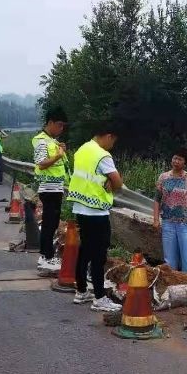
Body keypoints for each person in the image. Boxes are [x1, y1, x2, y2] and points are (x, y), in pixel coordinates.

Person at [67, 124, 123, 312]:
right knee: (99, 255)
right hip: (97, 211)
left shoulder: (83, 149)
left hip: (81, 208)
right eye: (113, 141)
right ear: (108, 135)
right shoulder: (102, 155)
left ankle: (81, 291)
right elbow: (118, 182)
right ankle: (99, 297)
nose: (112, 145)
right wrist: (111, 183)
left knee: (85, 251)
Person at [32, 107, 69, 270]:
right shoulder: (41, 140)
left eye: (63, 126)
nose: (61, 129)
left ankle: (48, 256)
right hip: (49, 189)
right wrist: (58, 155)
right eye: (59, 125)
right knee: (49, 224)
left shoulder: (51, 141)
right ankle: (45, 257)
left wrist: (60, 150)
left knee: (52, 223)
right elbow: (41, 162)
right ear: (50, 122)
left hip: (56, 188)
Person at [153, 148, 187, 272]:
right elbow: (157, 199)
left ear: (185, 163)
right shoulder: (163, 177)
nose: (176, 161)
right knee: (169, 260)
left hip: (185, 223)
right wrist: (156, 219)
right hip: (168, 222)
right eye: (175, 158)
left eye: (180, 159)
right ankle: (172, 286)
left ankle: (186, 286)